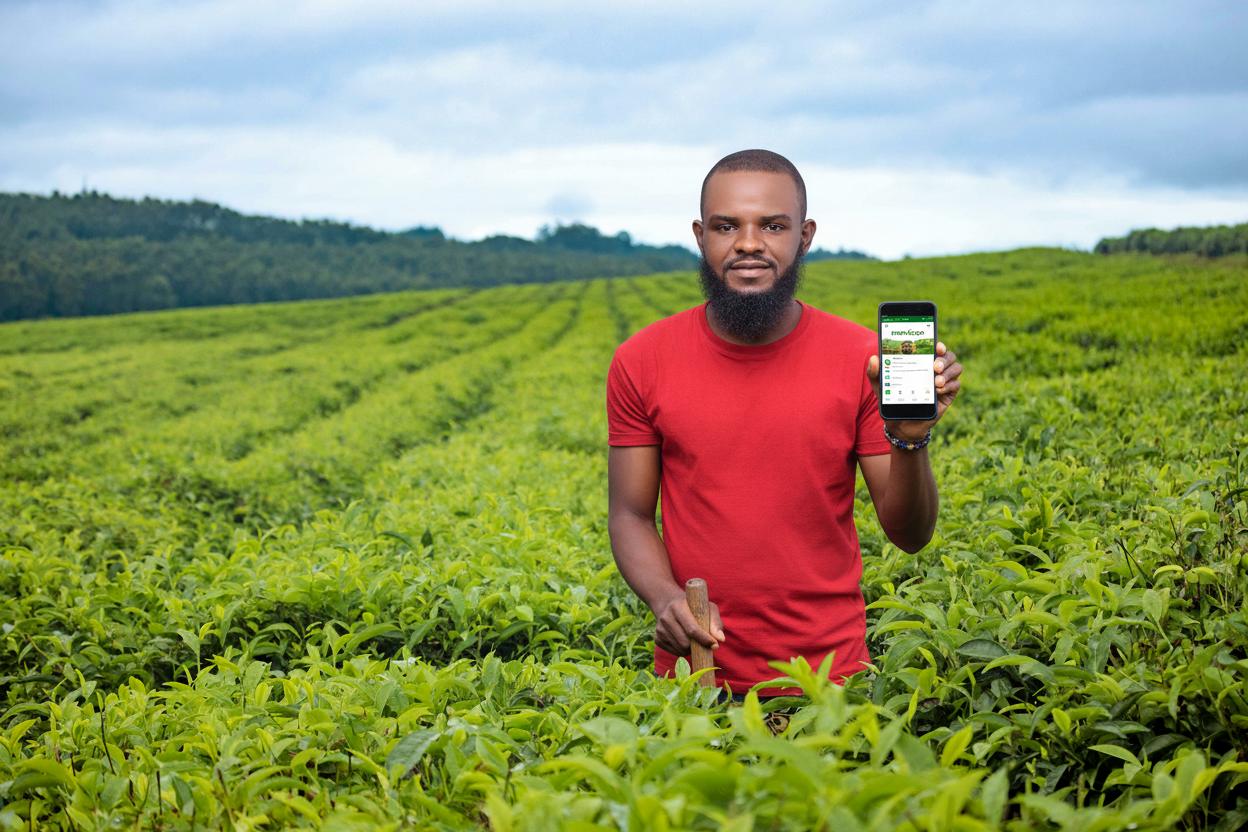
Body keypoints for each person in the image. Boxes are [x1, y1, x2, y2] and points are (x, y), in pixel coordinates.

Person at [605, 149, 962, 696]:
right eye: (727, 226)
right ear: (701, 236)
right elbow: (630, 514)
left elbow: (909, 535)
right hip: (694, 682)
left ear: (805, 236)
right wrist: (666, 600)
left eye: (773, 225)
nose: (749, 242)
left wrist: (910, 441)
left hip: (829, 684)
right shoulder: (642, 359)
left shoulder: (861, 359)